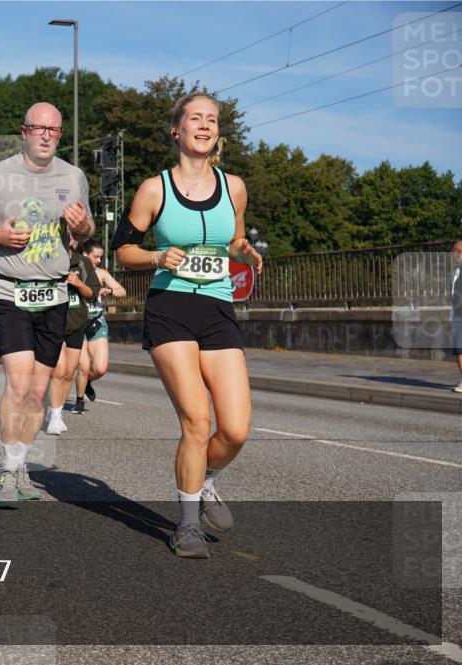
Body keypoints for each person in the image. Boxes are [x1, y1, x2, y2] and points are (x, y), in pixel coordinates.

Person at [113, 93, 262, 558]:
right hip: (170, 307)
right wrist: (157, 255)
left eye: (211, 120)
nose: (204, 126)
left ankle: (206, 480)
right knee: (197, 421)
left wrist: (242, 251)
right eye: (194, 119)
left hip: (218, 308)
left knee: (235, 429)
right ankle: (187, 525)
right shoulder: (153, 189)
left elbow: (234, 237)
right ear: (176, 130)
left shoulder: (234, 186)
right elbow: (123, 251)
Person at [0, 102, 95, 509]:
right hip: (8, 290)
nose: (46, 136)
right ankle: (5, 470)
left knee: (38, 393)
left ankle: (20, 467)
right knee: (18, 384)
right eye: (38, 128)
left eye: (53, 130)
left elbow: (87, 228)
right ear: (23, 131)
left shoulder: (74, 177)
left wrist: (81, 226)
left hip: (53, 292)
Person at [46, 236, 99, 435]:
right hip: (53, 322)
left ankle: (57, 412)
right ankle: (54, 415)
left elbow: (91, 293)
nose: (64, 236)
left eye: (68, 232)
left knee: (69, 372)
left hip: (76, 322)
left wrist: (77, 283)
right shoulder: (46, 258)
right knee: (58, 370)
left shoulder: (82, 262)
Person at [75, 239, 127, 405]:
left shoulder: (102, 274)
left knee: (100, 368)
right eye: (96, 257)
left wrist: (109, 290)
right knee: (83, 366)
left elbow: (122, 291)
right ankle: (79, 400)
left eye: (100, 257)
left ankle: (87, 381)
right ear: (84, 255)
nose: (99, 260)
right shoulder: (73, 272)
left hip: (97, 322)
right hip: (78, 323)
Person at [451, 239, 462, 393]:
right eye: (455, 251)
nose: (456, 254)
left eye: (459, 251)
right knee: (459, 349)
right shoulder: (455, 272)